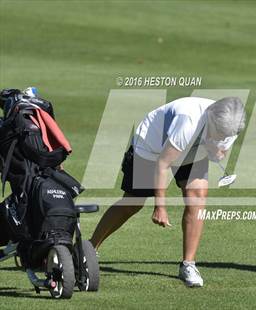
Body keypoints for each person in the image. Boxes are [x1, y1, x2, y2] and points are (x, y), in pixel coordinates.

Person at [90, 96, 246, 287]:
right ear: (211, 118)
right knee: (131, 204)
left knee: (197, 198)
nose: (223, 137)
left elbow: (221, 152)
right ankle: (88, 249)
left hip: (193, 151)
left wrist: (216, 151)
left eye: (226, 135)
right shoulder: (188, 120)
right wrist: (160, 207)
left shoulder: (231, 124)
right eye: (220, 133)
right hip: (152, 147)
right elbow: (163, 164)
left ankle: (188, 264)